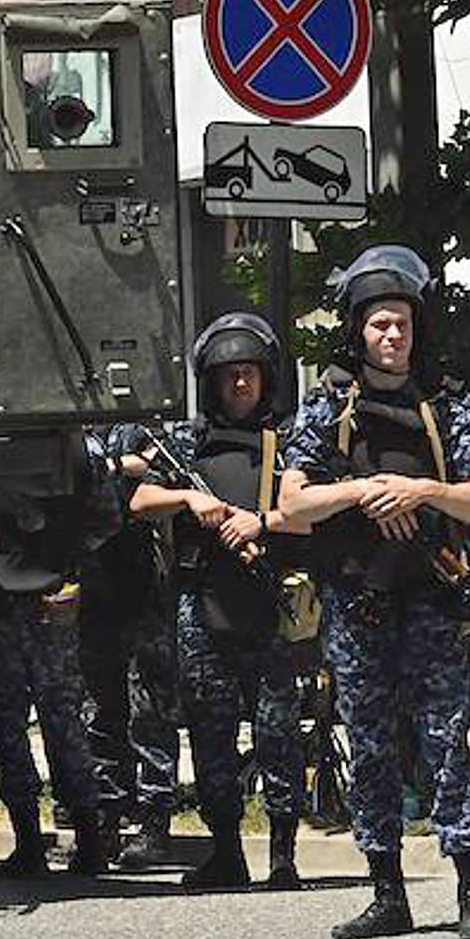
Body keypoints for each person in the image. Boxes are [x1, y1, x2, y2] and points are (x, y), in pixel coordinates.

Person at [279, 245, 470, 939]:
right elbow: (290, 506)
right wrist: (364, 491)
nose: (392, 336)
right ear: (359, 330)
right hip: (356, 601)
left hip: (430, 596)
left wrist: (422, 490)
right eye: (379, 324)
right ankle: (387, 894)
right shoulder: (330, 403)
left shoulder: (446, 400)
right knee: (370, 747)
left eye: (402, 323)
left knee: (445, 741)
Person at [130, 313, 307, 891]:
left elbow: (311, 513)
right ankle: (226, 850)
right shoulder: (186, 442)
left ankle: (283, 854)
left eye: (249, 375)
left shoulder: (287, 444)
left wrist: (262, 524)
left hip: (268, 606)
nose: (240, 386)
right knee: (210, 732)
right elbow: (138, 499)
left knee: (278, 731)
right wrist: (187, 499)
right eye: (229, 376)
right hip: (202, 608)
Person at [0, 447, 122, 878]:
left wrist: (61, 554)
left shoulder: (83, 453)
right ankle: (28, 843)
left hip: (49, 598)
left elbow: (108, 518)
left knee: (63, 722)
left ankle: (89, 841)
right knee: (4, 721)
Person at [80, 424, 182, 869]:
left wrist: (111, 466)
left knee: (150, 709)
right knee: (99, 707)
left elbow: (160, 464)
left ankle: (155, 821)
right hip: (92, 581)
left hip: (144, 581)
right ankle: (105, 821)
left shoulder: (140, 427)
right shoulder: (78, 432)